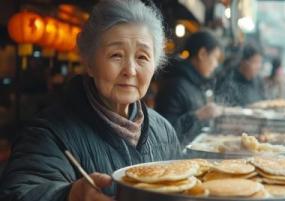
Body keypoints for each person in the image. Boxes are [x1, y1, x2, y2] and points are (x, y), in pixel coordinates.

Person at [0, 0, 181, 200]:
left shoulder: (164, 131)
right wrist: (69, 195)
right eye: (116, 55)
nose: (130, 70)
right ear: (89, 63)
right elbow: (19, 192)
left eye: (142, 57)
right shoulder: (47, 134)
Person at [155, 31, 223, 146]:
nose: (216, 65)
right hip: (175, 159)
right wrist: (198, 115)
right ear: (202, 54)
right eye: (215, 58)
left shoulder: (197, 83)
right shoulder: (175, 86)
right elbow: (162, 133)